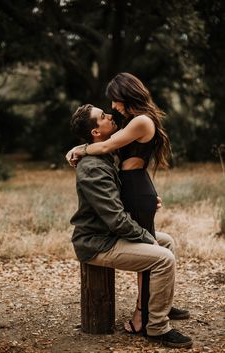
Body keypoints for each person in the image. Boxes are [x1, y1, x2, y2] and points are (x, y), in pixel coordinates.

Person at [67, 73, 189, 334]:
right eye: (105, 113)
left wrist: (80, 148)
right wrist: (81, 148)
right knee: (162, 254)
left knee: (165, 243)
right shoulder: (96, 166)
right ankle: (156, 325)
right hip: (99, 240)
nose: (112, 109)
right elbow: (105, 145)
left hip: (110, 230)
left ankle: (156, 308)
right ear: (96, 131)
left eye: (114, 101)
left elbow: (106, 143)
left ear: (125, 96)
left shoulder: (134, 125)